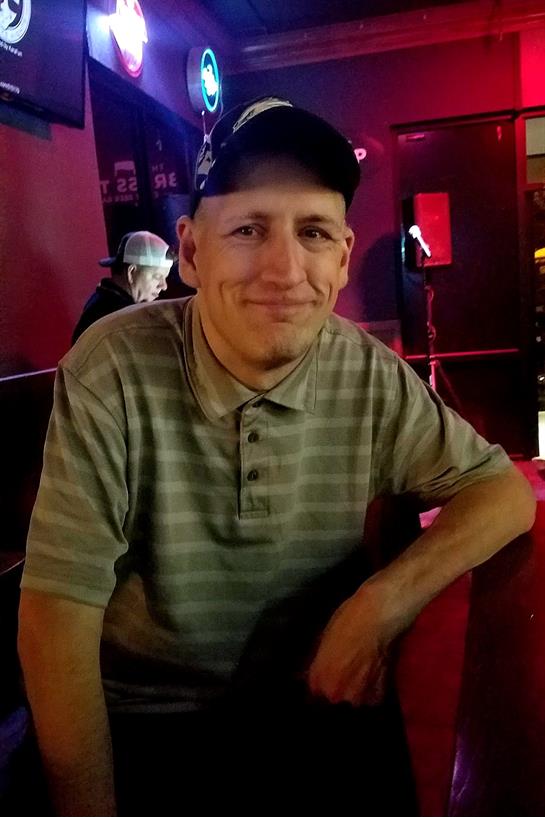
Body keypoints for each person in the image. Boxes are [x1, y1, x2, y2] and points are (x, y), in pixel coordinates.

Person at [18, 97, 535, 817]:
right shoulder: (111, 369)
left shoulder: (365, 371)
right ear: (191, 253)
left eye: (313, 231)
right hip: (149, 724)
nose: (285, 269)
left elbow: (503, 491)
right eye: (248, 229)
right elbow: (57, 618)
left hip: (310, 700)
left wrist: (380, 605)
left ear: (343, 258)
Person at [71, 230, 173, 344]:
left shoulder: (102, 300)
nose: (164, 286)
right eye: (157, 276)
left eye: (165, 278)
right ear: (131, 272)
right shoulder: (122, 317)